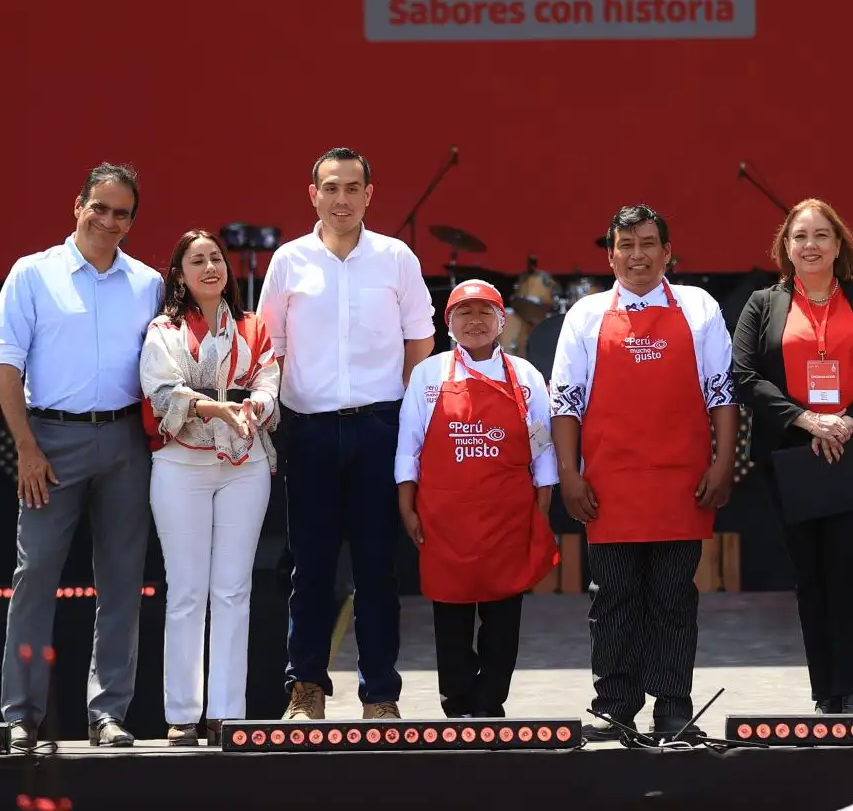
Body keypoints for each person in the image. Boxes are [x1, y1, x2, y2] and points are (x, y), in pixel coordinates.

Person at [549, 204, 740, 743]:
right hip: (609, 486)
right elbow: (566, 403)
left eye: (648, 243)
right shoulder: (584, 315)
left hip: (682, 482)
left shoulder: (699, 307)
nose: (638, 255)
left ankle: (674, 707)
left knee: (675, 598)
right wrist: (570, 474)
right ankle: (614, 706)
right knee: (612, 598)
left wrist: (723, 462)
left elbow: (721, 393)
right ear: (610, 254)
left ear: (667, 252)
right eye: (626, 245)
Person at [258, 147, 436, 721]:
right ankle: (305, 687)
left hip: (378, 429)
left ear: (369, 194)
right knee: (308, 566)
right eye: (330, 188)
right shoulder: (289, 261)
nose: (341, 199)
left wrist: (402, 414)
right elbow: (271, 347)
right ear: (313, 194)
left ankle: (380, 693)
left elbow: (419, 341)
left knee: (376, 569)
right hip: (308, 431)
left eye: (352, 188)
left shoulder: (396, 258)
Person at [0, 163, 161, 749]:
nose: (109, 221)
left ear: (132, 221)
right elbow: (6, 364)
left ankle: (107, 712)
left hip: (124, 442)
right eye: (100, 208)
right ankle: (22, 715)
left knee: (121, 582)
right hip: (51, 440)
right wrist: (27, 449)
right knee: (35, 574)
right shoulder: (32, 274)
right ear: (78, 206)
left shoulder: (148, 283)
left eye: (122, 213)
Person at [731, 199, 853, 715]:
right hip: (793, 454)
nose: (810, 245)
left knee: (852, 573)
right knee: (810, 577)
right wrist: (807, 420)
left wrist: (847, 421)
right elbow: (745, 376)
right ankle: (826, 693)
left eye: (821, 236)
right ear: (785, 248)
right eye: (800, 237)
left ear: (839, 245)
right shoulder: (763, 304)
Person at [139, 230, 281, 745]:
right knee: (187, 591)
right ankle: (181, 714)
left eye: (215, 258)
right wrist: (215, 407)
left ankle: (226, 713)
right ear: (179, 274)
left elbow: (269, 381)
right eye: (196, 261)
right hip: (181, 464)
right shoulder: (164, 328)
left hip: (244, 462)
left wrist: (255, 407)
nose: (209, 267)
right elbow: (159, 392)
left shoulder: (253, 325)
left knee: (233, 590)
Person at [395, 279, 558, 718]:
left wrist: (539, 511)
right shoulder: (429, 375)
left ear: (502, 321)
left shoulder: (526, 378)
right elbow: (409, 447)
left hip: (508, 516)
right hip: (444, 518)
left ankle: (490, 703)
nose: (475, 321)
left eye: (485, 312)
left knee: (503, 615)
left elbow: (543, 448)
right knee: (450, 614)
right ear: (449, 324)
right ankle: (458, 702)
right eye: (464, 313)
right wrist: (406, 505)